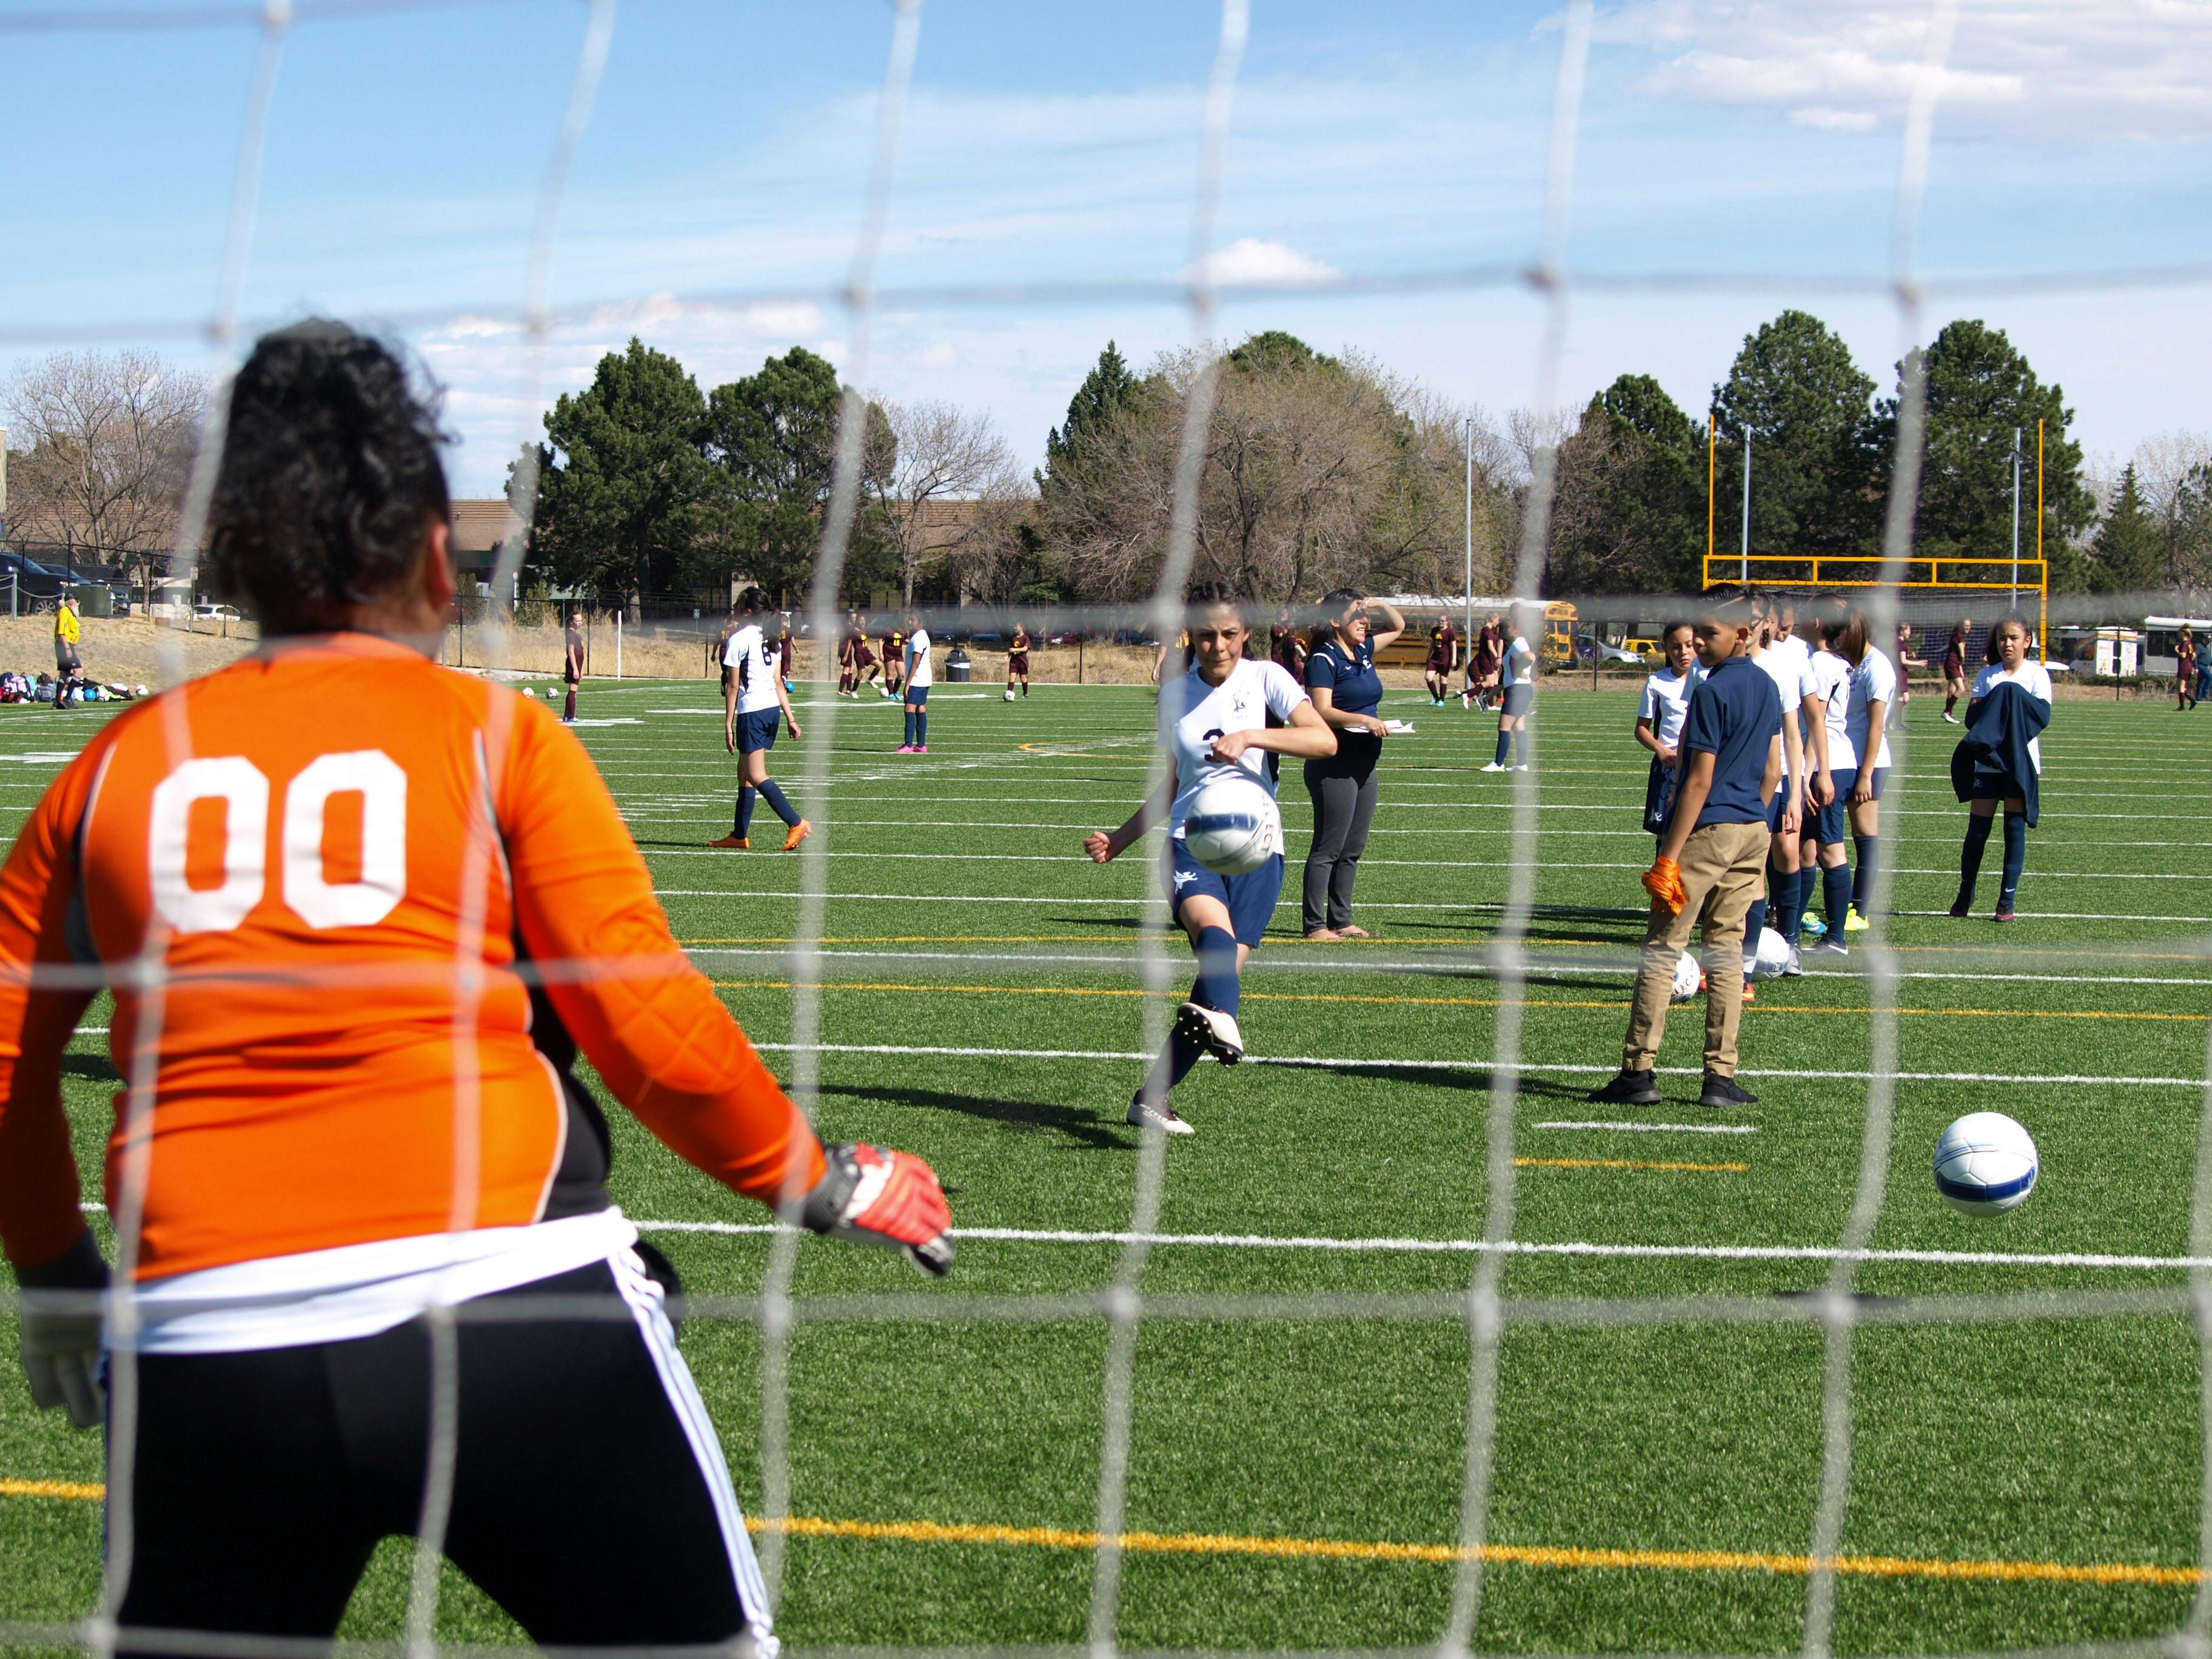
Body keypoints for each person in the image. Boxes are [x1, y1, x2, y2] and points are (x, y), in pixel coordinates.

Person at [0, 321, 953, 1658]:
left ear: (232, 561)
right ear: (434, 550)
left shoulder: (111, 771)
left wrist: (52, 1270)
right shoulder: (499, 737)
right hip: (510, 1311)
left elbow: (5, 1065)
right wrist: (816, 1175)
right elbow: (643, 1018)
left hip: (213, 1353)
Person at [1085, 583, 1335, 1136]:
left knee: (1215, 989)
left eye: (1228, 634)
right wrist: (1121, 838)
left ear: (1246, 633)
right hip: (1189, 841)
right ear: (1189, 637)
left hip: (1259, 849)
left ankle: (1151, 1098)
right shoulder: (1176, 695)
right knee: (1214, 948)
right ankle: (1227, 1023)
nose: (1217, 645)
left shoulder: (1268, 678)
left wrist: (1252, 736)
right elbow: (1171, 783)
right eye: (1205, 635)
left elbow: (1323, 741)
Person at [1590, 592, 1780, 1110]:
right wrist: (1754, 821)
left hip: (1707, 831)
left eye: (1708, 634)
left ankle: (1638, 1071)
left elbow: (1698, 781)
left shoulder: (1711, 691)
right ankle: (1720, 1077)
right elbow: (1773, 771)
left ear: (1742, 634)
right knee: (1727, 955)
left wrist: (1670, 855)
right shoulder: (1767, 685)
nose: (1696, 642)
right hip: (1751, 830)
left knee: (1662, 950)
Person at [1301, 591, 1405, 941]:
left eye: (1365, 615)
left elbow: (1399, 625)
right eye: (1356, 615)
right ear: (1334, 621)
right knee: (1329, 847)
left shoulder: (1363, 650)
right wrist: (1361, 719)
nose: (1365, 621)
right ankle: (1315, 926)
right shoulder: (1323, 658)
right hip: (1334, 763)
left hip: (1365, 762)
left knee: (1353, 848)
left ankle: (1341, 920)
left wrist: (1377, 603)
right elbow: (1322, 711)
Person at [1950, 615, 2053, 923]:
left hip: (2021, 765)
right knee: (1977, 832)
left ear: (2027, 641)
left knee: (2014, 832)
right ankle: (1965, 892)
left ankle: (2006, 900)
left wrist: (2008, 698)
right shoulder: (1987, 675)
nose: (2007, 644)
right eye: (2002, 639)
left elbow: (2041, 718)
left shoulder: (2038, 675)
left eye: (2013, 638)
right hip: (1988, 765)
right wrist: (2004, 697)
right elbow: (1974, 721)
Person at [710, 588, 809, 853]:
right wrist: (791, 718)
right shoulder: (771, 638)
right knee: (744, 773)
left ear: (748, 611)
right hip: (771, 710)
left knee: (755, 774)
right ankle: (739, 835)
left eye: (739, 603)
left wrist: (728, 724)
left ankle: (796, 822)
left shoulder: (739, 639)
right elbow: (778, 682)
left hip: (753, 710)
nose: (735, 607)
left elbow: (732, 687)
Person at [1798, 609, 1855, 953]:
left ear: (1817, 622)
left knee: (1831, 850)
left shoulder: (1820, 663)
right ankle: (1790, 926)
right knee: (1805, 850)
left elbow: (1815, 722)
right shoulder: (1832, 661)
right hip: (1830, 761)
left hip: (1825, 764)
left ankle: (1836, 938)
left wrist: (1810, 774)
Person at [1838, 606, 1896, 933]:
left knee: (1865, 836)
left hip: (1867, 763)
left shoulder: (1878, 667)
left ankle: (1860, 910)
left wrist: (1865, 774)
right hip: (1847, 759)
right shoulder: (1852, 665)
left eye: (1842, 631)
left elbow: (1877, 726)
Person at [1634, 621, 1701, 848]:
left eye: (1689, 645)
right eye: (1676, 646)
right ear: (1666, 648)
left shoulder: (1708, 678)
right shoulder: (1657, 681)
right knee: (1665, 833)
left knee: (1699, 833)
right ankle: (1662, 880)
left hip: (1700, 764)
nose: (1683, 652)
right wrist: (1661, 750)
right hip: (1669, 766)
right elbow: (1641, 729)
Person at [1480, 608, 1535, 772]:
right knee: (1519, 728)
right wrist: (1488, 696)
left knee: (1503, 727)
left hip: (1518, 692)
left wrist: (1522, 668)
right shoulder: (1515, 645)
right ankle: (1521, 764)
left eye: (1508, 627)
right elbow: (1507, 680)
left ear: (1516, 629)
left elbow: (1531, 657)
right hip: (1519, 690)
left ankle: (1498, 764)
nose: (1504, 630)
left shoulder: (1519, 643)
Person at [898, 609, 933, 752]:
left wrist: (908, 683)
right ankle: (921, 745)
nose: (910, 622)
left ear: (921, 623)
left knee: (909, 708)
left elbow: (916, 661)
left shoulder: (919, 637)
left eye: (913, 620)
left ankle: (908, 745)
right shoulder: (921, 636)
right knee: (920, 707)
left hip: (917, 680)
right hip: (924, 678)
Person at [1463, 612, 1502, 711]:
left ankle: (1491, 705)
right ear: (1492, 619)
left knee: (1491, 681)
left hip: (1488, 659)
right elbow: (1490, 647)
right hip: (1486, 659)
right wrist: (1498, 657)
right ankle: (1468, 695)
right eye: (1497, 620)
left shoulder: (1489, 631)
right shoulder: (1487, 631)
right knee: (1489, 682)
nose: (1498, 622)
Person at [52, 591, 81, 710]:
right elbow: (62, 632)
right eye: (77, 601)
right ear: (71, 600)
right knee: (79, 671)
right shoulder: (65, 611)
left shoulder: (71, 613)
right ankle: (68, 699)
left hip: (68, 645)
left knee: (64, 673)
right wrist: (67, 649)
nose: (78, 604)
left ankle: (58, 701)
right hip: (64, 645)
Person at [1942, 619, 1972, 723]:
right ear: (1960, 626)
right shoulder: (1958, 636)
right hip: (1952, 664)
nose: (1968, 628)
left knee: (1952, 690)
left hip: (1953, 664)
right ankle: (1947, 712)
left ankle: (1949, 714)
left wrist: (1960, 668)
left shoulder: (1958, 636)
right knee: (1961, 689)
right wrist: (1962, 663)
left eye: (1969, 625)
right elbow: (1962, 654)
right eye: (1966, 626)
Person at [1423, 615, 1458, 705]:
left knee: (1443, 679)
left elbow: (1454, 645)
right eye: (1439, 621)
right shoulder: (1435, 630)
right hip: (1434, 658)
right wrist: (1428, 655)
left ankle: (1442, 700)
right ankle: (1436, 698)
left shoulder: (1450, 632)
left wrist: (1454, 659)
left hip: (1445, 658)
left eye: (1443, 621)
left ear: (1447, 622)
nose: (1441, 623)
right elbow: (1432, 644)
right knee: (1428, 677)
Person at [563, 610, 585, 721]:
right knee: (573, 689)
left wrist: (581, 670)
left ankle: (569, 715)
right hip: (573, 664)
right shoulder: (571, 634)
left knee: (574, 689)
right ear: (571, 622)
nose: (580, 623)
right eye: (577, 621)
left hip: (578, 664)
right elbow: (571, 652)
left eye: (581, 620)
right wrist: (575, 669)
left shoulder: (577, 634)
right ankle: (570, 716)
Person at [880, 617, 905, 699]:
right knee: (890, 674)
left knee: (901, 675)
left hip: (898, 654)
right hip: (888, 654)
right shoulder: (887, 630)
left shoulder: (902, 630)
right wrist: (881, 654)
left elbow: (907, 639)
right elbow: (880, 640)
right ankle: (891, 694)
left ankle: (895, 692)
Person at [1007, 619, 1033, 697]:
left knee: (1023, 678)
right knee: (1011, 677)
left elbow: (1025, 649)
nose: (1015, 628)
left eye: (1016, 626)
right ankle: (1009, 694)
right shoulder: (1013, 638)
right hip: (1014, 661)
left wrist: (1015, 649)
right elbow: (1011, 649)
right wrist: (1007, 656)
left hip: (1022, 661)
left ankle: (1025, 694)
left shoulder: (1025, 638)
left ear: (1021, 628)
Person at [2178, 626, 2199, 713]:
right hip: (2188, 667)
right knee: (2183, 687)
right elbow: (2193, 655)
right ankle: (2192, 701)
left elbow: (2183, 655)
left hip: (2184, 667)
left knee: (2181, 687)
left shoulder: (2185, 643)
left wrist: (2176, 651)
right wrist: (2191, 663)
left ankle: (2183, 706)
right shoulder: (2190, 644)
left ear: (2183, 634)